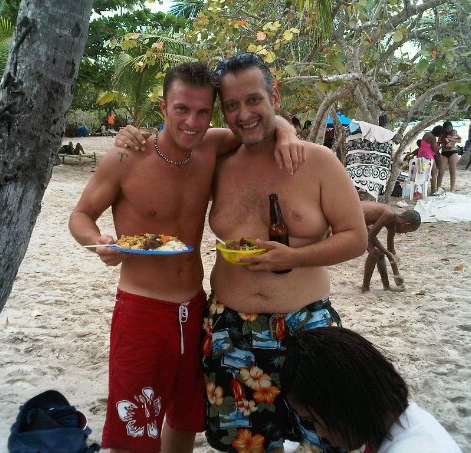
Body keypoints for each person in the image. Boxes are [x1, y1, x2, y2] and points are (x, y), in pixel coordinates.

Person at [69, 61, 304, 453]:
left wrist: (289, 132)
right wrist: (98, 242)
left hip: (196, 309)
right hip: (142, 311)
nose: (192, 122)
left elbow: (259, 123)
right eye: (182, 109)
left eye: (202, 112)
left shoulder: (210, 147)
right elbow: (80, 214)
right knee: (135, 428)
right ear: (164, 107)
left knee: (185, 420)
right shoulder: (126, 158)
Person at [202, 52, 367, 452]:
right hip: (229, 329)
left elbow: (355, 237)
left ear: (273, 95)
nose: (244, 114)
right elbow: (171, 143)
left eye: (254, 100)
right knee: (245, 445)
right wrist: (130, 138)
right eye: (232, 105)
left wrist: (292, 258)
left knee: (325, 439)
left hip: (306, 325)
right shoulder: (218, 163)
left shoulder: (318, 161)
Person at [281, 327, 462, 453]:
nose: (319, 433)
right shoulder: (410, 422)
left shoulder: (412, 447)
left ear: (342, 400)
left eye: (311, 419)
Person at [360, 201, 421, 293]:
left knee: (380, 253)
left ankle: (386, 286)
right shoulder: (389, 214)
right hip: (353, 216)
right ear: (406, 225)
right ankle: (365, 288)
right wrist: (388, 254)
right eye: (407, 231)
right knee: (375, 252)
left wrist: (397, 274)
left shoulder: (392, 224)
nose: (404, 233)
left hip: (361, 220)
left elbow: (391, 250)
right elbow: (371, 236)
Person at [417, 125, 443, 195]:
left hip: (421, 154)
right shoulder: (433, 137)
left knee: (427, 173)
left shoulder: (427, 134)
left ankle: (429, 190)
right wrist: (442, 146)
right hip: (427, 155)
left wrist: (438, 142)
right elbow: (435, 149)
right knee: (434, 173)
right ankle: (433, 190)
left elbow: (428, 144)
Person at [437, 121, 461, 192]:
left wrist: (451, 139)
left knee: (452, 171)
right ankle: (438, 187)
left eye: (450, 128)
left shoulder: (454, 133)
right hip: (444, 153)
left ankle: (452, 188)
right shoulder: (442, 135)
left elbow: (459, 140)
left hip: (452, 152)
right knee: (441, 172)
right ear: (444, 128)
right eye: (447, 128)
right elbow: (438, 144)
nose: (449, 129)